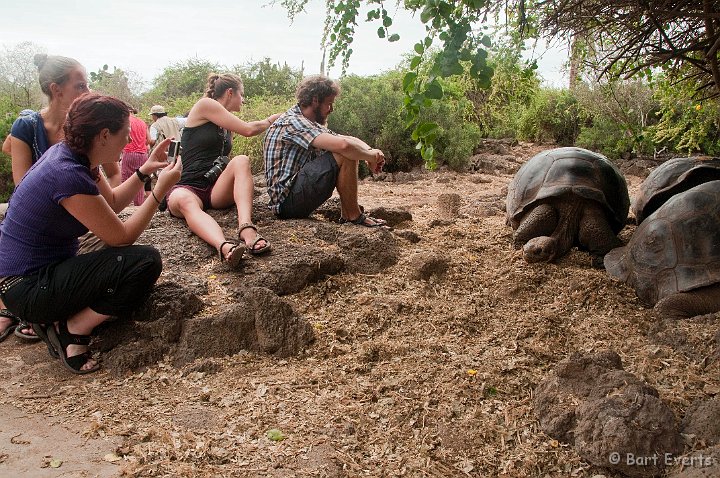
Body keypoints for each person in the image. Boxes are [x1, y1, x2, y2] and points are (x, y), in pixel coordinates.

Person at [0, 93, 182, 373]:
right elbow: (121, 236)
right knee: (144, 262)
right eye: (124, 133)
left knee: (125, 258)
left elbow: (111, 204)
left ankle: (59, 318)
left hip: (36, 275)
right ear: (105, 135)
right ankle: (71, 329)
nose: (128, 141)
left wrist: (145, 171)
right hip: (27, 288)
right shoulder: (67, 173)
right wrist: (160, 190)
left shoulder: (77, 156)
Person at [7, 54, 122, 340]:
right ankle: (23, 307)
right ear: (56, 89)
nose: (87, 92)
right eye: (80, 86)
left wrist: (138, 178)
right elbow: (24, 186)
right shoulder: (29, 126)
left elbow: (112, 175)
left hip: (77, 216)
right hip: (49, 217)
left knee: (116, 251)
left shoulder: (87, 130)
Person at [166, 73, 280, 268]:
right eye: (241, 94)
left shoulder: (225, 125)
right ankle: (225, 246)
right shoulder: (205, 105)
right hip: (188, 187)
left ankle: (246, 228)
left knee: (241, 160)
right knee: (185, 201)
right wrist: (272, 119)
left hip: (214, 189)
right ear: (229, 92)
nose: (243, 100)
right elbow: (248, 130)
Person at [264, 75, 387, 226]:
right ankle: (353, 216)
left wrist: (370, 152)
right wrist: (369, 156)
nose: (331, 109)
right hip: (287, 203)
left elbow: (346, 139)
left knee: (346, 150)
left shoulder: (306, 121)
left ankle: (349, 213)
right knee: (343, 153)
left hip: (291, 199)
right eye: (329, 104)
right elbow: (344, 146)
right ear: (315, 100)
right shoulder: (294, 122)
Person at [121, 107, 150, 206]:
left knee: (126, 179)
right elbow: (148, 140)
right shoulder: (142, 122)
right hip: (143, 154)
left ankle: (125, 205)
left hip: (130, 153)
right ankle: (139, 205)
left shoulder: (125, 121)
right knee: (140, 180)